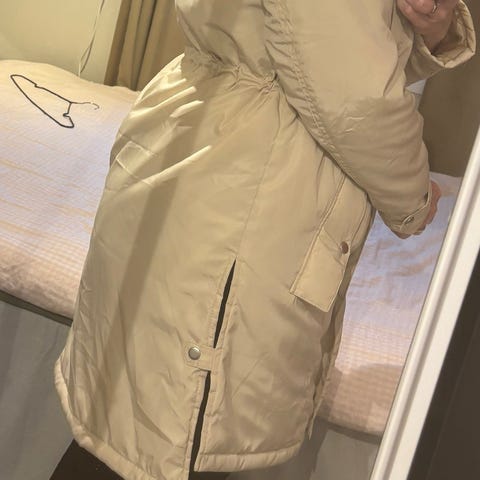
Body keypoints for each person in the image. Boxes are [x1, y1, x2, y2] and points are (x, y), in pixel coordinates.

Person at [53, 1, 475, 480]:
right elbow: (353, 94)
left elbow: (333, 52)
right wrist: (414, 197)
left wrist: (430, 32)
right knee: (160, 445)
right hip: (241, 188)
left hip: (214, 161)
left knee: (132, 439)